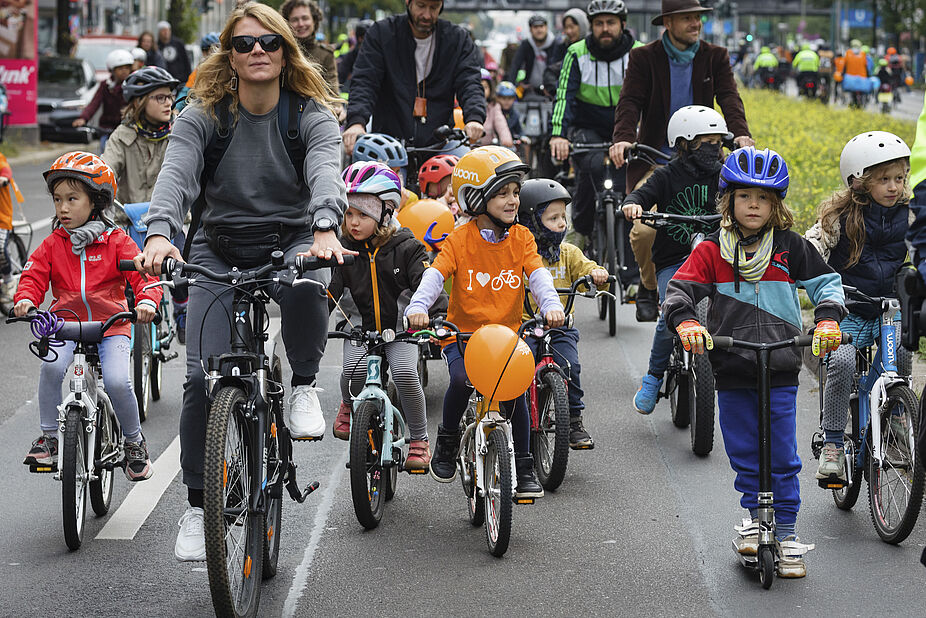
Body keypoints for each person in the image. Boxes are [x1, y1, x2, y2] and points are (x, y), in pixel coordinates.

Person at [134, 3, 352, 562]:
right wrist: (159, 235)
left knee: (309, 285)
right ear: (228, 55)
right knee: (198, 381)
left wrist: (326, 224)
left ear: (285, 53)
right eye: (244, 43)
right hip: (218, 247)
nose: (257, 51)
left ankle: (302, 382)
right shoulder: (202, 114)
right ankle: (199, 506)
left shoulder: (312, 114)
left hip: (297, 239)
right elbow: (176, 176)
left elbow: (327, 169)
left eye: (269, 43)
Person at [663, 147, 846, 578]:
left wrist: (827, 321)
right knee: (745, 451)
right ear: (729, 200)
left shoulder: (790, 247)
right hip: (731, 365)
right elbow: (680, 290)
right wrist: (687, 322)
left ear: (776, 205)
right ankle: (753, 517)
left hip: (781, 365)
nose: (754, 206)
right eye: (745, 197)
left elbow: (827, 284)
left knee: (782, 455)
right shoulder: (712, 250)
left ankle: (785, 531)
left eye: (763, 199)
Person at [405, 146, 565, 498]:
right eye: (503, 193)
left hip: (506, 339)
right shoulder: (460, 239)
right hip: (462, 336)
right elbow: (436, 275)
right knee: (461, 380)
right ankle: (446, 441)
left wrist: (551, 304)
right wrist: (418, 306)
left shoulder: (522, 237)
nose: (513, 201)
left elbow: (538, 277)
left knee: (518, 392)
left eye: (516, 192)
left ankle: (523, 466)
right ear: (477, 197)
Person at [13, 152, 161, 481]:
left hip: (112, 326)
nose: (62, 208)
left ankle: (134, 442)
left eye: (72, 199)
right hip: (64, 324)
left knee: (119, 382)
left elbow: (144, 276)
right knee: (51, 368)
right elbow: (33, 277)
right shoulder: (53, 244)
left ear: (95, 201)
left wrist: (147, 301)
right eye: (57, 200)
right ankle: (50, 438)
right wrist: (25, 299)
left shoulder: (117, 242)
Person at [611, 0, 753, 323]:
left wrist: (741, 135)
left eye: (698, 18)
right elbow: (630, 101)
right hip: (657, 157)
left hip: (704, 160)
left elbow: (729, 97)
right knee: (645, 232)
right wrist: (622, 138)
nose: (696, 23)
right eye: (687, 18)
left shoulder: (714, 56)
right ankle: (649, 286)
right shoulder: (644, 57)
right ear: (668, 23)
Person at [804, 131, 912, 485]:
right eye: (884, 179)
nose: (894, 186)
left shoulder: (909, 216)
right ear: (859, 181)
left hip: (888, 307)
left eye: (899, 178)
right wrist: (794, 272)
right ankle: (834, 444)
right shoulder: (839, 218)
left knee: (901, 354)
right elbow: (810, 247)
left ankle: (896, 410)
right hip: (846, 308)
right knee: (842, 360)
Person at [328, 161, 445, 469]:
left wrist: (436, 313)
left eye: (363, 214)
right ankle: (347, 404)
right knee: (351, 371)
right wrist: (313, 315)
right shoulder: (344, 248)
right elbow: (331, 289)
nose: (353, 222)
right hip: (358, 328)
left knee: (407, 374)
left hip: (400, 328)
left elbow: (428, 283)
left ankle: (419, 439)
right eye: (349, 213)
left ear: (385, 213)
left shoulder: (407, 247)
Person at [620, 105, 730, 415]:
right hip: (674, 260)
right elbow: (641, 195)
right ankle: (653, 378)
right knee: (670, 315)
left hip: (716, 257)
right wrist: (633, 205)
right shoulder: (667, 175)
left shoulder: (725, 174)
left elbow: (744, 194)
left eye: (719, 142)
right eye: (707, 142)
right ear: (684, 143)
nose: (716, 149)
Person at [519, 178, 609, 448]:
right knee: (517, 372)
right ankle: (515, 417)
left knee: (570, 366)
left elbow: (587, 268)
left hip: (560, 328)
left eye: (563, 217)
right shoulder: (519, 254)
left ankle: (573, 420)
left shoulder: (568, 252)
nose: (562, 224)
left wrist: (597, 273)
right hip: (524, 327)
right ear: (531, 222)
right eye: (553, 218)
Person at [102, 66, 190, 342]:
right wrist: (98, 191)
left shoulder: (182, 130)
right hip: (129, 222)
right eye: (160, 97)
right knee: (120, 272)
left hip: (174, 221)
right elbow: (105, 172)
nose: (168, 103)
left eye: (170, 97)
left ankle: (182, 307)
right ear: (139, 102)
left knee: (185, 264)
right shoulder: (121, 136)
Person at [342, 0, 486, 157]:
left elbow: (469, 81)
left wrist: (474, 118)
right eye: (421, 6)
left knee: (466, 170)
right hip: (389, 143)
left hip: (441, 144)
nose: (427, 15)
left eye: (434, 7)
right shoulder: (381, 33)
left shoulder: (458, 39)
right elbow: (365, 81)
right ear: (408, 2)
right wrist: (357, 122)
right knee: (372, 177)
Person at [550, 0, 637, 253]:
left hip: (629, 128)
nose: (605, 29)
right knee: (590, 168)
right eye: (599, 24)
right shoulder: (576, 53)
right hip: (588, 127)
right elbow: (564, 95)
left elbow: (654, 98)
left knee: (631, 178)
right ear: (591, 27)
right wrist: (559, 135)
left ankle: (631, 255)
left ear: (623, 24)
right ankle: (581, 229)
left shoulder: (639, 52)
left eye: (611, 23)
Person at [73, 49, 134, 152]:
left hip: (128, 129)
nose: (124, 71)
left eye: (127, 68)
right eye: (120, 68)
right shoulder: (105, 85)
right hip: (107, 129)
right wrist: (83, 118)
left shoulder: (133, 86)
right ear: (112, 70)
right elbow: (94, 103)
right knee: (105, 151)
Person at [280, 0, 340, 97]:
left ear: (314, 20)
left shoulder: (325, 54)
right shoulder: (282, 52)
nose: (301, 24)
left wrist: (337, 107)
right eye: (295, 20)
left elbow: (333, 89)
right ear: (287, 23)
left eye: (305, 18)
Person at [508, 14, 564, 98]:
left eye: (541, 26)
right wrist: (510, 88)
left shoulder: (556, 44)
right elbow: (515, 66)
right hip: (530, 90)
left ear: (546, 27)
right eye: (535, 27)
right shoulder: (526, 45)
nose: (539, 30)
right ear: (530, 29)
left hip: (552, 91)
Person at [542, 8, 588, 95]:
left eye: (572, 27)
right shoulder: (561, 47)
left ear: (582, 26)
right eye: (566, 27)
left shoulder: (592, 47)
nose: (568, 31)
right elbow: (551, 71)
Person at [175, 33, 220, 111]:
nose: (209, 53)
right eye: (204, 50)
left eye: (215, 49)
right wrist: (176, 109)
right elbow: (186, 91)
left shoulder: (228, 68)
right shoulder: (199, 70)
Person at [0, 152, 19, 313]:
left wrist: (3, 178)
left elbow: (5, 170)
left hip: (1, 217)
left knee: (0, 248)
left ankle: (9, 280)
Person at [478, 69, 513, 148]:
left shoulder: (494, 106)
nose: (482, 91)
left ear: (490, 89)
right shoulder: (463, 105)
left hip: (488, 148)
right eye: (478, 87)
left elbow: (501, 123)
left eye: (485, 87)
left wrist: (506, 139)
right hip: (468, 149)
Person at [337, 18, 373, 88]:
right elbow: (340, 79)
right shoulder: (351, 57)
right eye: (370, 37)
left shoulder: (379, 56)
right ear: (360, 38)